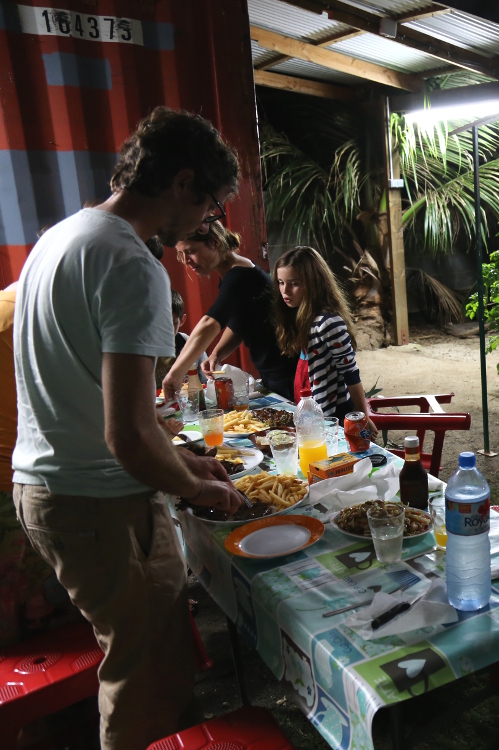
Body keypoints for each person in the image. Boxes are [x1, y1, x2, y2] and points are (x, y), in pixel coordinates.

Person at [12, 107, 245, 750]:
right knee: (146, 678)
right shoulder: (131, 262)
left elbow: (94, 402)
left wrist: (182, 460)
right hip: (99, 504)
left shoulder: (59, 238)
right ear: (182, 183)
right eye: (211, 205)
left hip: (52, 489)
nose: (208, 222)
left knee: (146, 658)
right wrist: (202, 490)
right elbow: (129, 438)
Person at [0, 281, 79, 646]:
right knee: (37, 603)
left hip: (22, 469)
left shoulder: (15, 302)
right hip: (20, 477)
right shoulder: (37, 315)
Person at [161, 222, 297, 401]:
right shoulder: (233, 273)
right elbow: (241, 321)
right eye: (181, 254)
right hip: (275, 374)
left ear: (215, 243)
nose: (186, 260)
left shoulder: (239, 276)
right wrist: (216, 355)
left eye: (190, 251)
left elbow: (210, 322)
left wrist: (175, 374)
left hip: (289, 375)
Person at [273, 246, 377, 427]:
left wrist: (363, 418)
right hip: (311, 414)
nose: (285, 290)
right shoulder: (302, 317)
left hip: (334, 416)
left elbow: (351, 374)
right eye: (281, 282)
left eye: (294, 283)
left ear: (313, 283)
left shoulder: (328, 322)